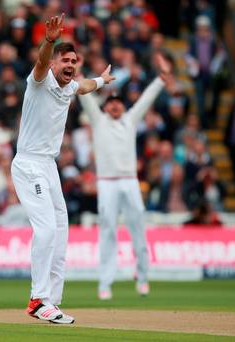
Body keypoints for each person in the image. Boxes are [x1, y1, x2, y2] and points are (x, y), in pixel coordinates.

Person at [11, 13, 114, 324]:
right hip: (29, 162)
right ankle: (37, 299)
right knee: (44, 230)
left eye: (74, 60)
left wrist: (100, 81)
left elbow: (81, 87)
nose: (70, 65)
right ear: (54, 63)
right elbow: (41, 63)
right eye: (65, 60)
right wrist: (49, 41)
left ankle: (52, 301)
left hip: (48, 165)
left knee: (60, 230)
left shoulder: (69, 87)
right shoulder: (39, 81)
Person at [78, 53, 174, 300]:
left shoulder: (130, 120)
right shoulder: (98, 121)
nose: (115, 105)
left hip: (130, 182)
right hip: (107, 183)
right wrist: (78, 73)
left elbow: (146, 98)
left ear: (123, 106)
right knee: (108, 231)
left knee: (138, 230)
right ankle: (105, 283)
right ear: (106, 106)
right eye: (111, 103)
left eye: (119, 103)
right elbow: (86, 99)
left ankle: (142, 278)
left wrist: (162, 77)